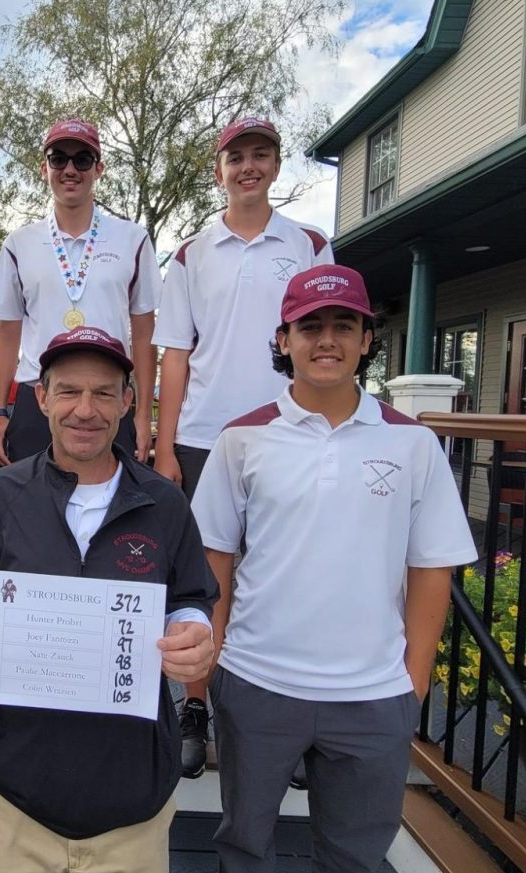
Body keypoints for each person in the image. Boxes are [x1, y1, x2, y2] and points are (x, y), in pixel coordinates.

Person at [190, 265, 477, 873]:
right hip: (258, 681)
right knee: (246, 838)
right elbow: (214, 563)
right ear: (283, 339)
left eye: (342, 326)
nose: (326, 340)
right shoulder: (242, 439)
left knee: (353, 856)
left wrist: (411, 683)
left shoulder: (412, 443)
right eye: (309, 327)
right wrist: (208, 671)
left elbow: (431, 569)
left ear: (366, 339)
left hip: (370, 694)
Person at [0, 326, 219, 873]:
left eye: (102, 393)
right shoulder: (0, 495)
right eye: (67, 391)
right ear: (41, 397)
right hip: (13, 790)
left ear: (128, 402)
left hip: (130, 799)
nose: (84, 409)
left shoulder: (166, 504)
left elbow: (193, 598)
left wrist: (195, 636)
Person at [153, 115, 336, 778]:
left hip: (287, 431)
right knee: (208, 579)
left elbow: (323, 341)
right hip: (206, 435)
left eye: (261, 155)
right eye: (237, 157)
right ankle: (196, 706)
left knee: (283, 573)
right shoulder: (190, 253)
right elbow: (175, 353)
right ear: (218, 169)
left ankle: (274, 714)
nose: (248, 167)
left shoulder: (311, 243)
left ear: (276, 166)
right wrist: (166, 445)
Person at [0, 118, 161, 465]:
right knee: (32, 512)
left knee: (109, 512)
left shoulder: (133, 239)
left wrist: (141, 414)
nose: (70, 169)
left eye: (82, 159)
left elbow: (144, 334)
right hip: (38, 397)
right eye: (58, 158)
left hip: (108, 396)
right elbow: (7, 335)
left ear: (99, 169)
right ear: (44, 168)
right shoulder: (19, 244)